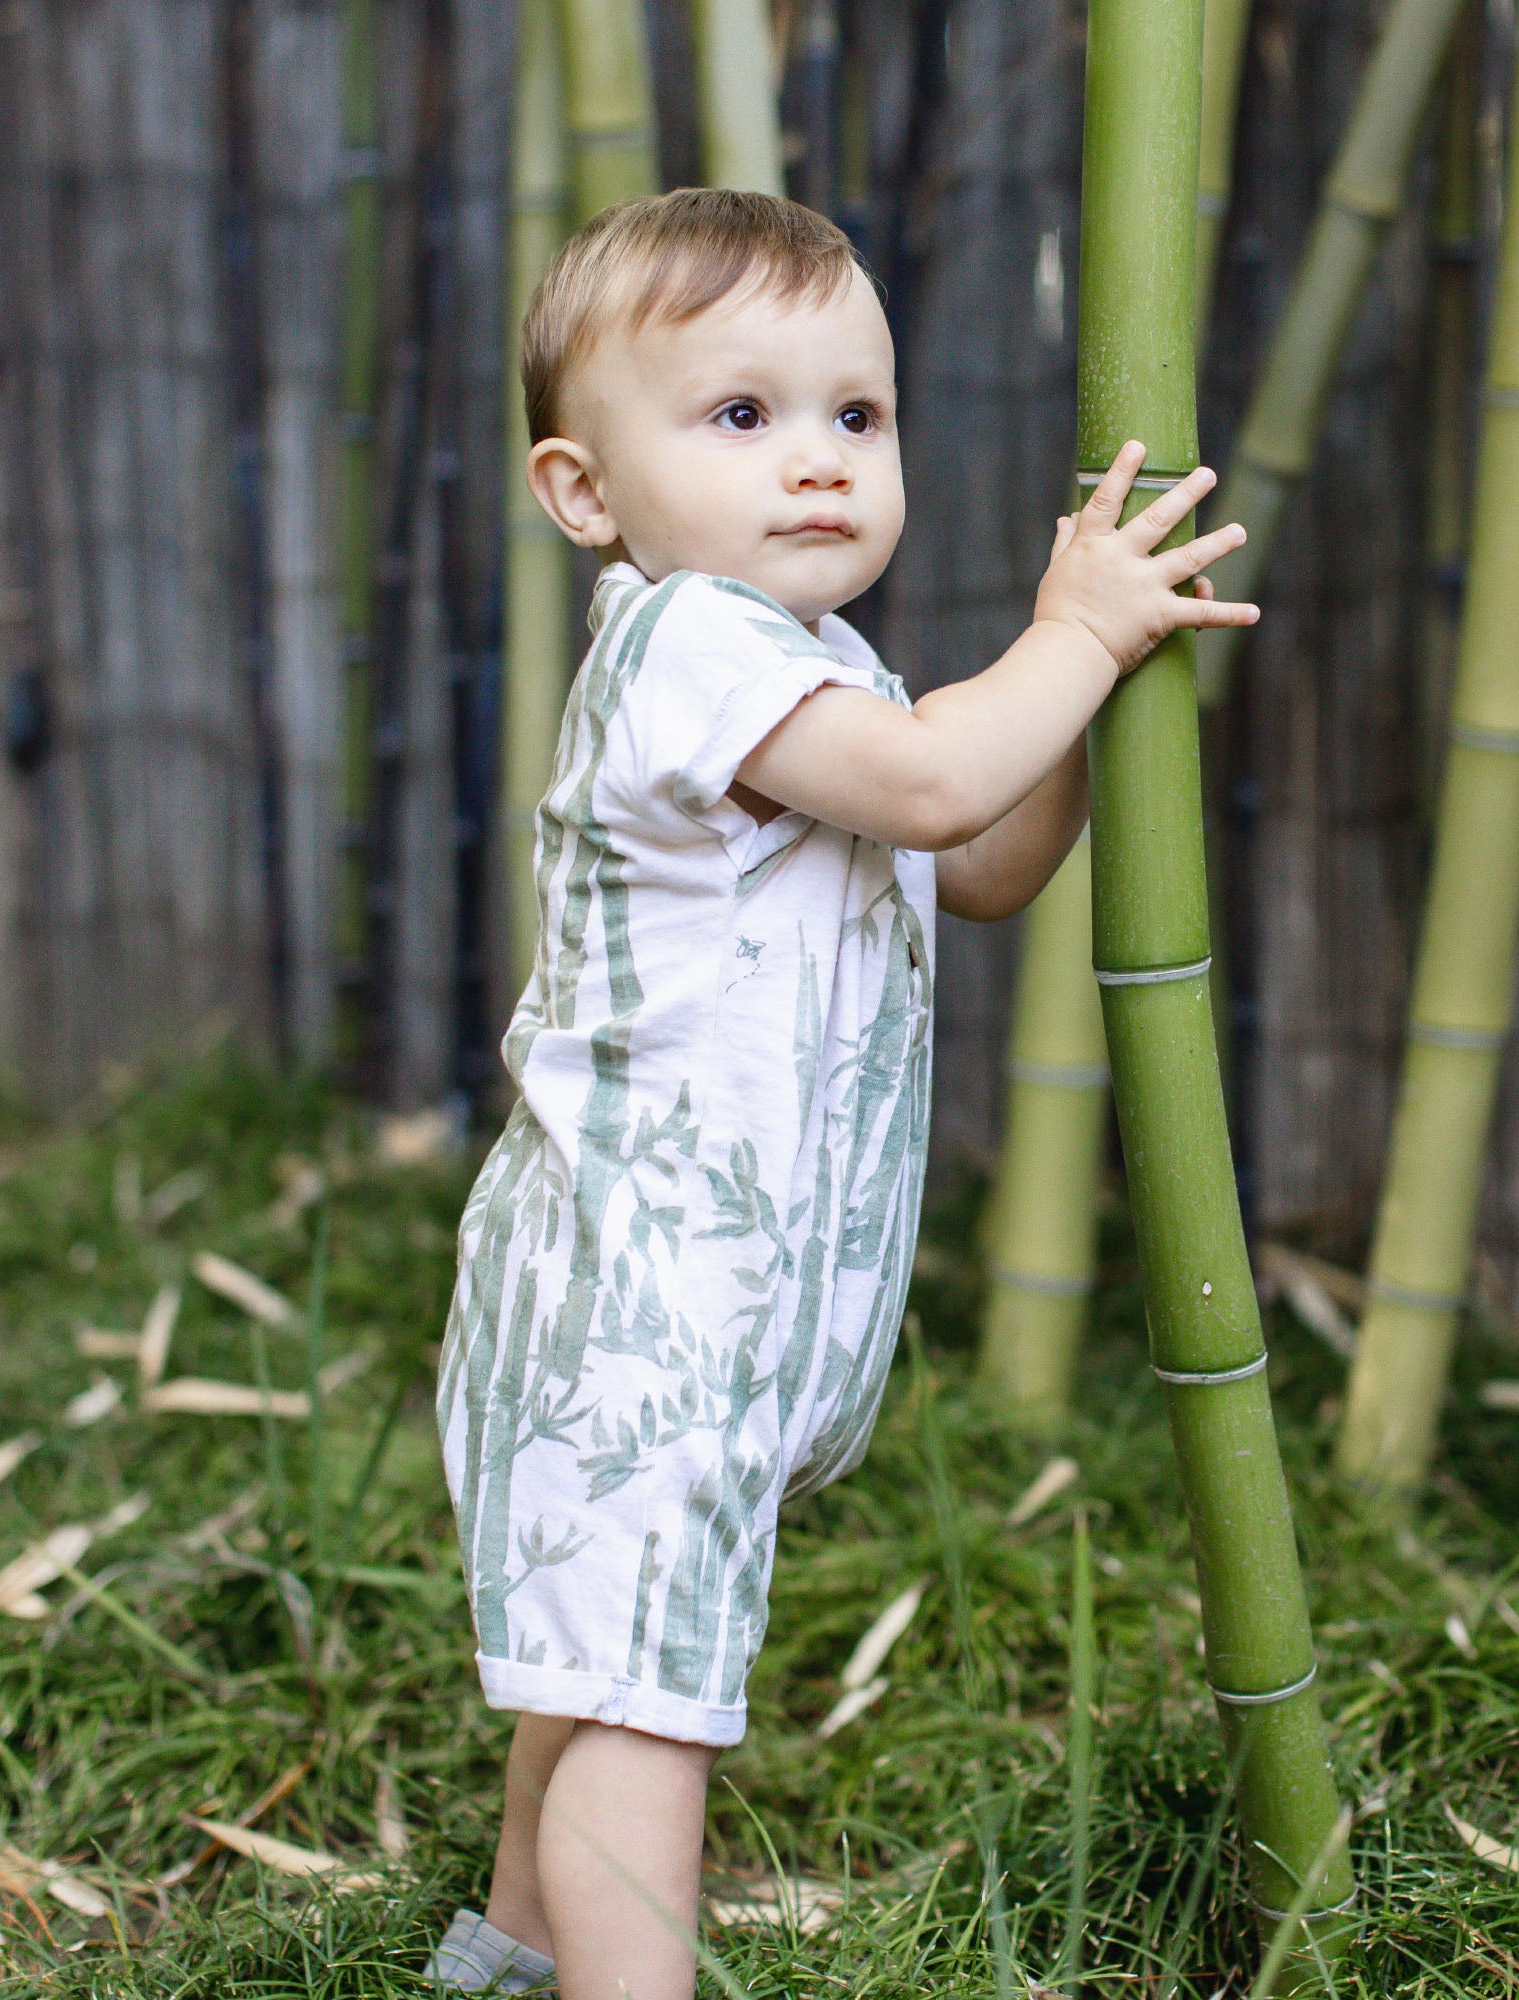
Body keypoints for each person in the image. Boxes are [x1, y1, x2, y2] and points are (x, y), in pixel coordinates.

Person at [428, 187, 1254, 1999]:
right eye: (741, 415)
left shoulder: (826, 670)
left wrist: (1094, 699)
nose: (816, 458)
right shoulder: (684, 649)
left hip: (702, 1313)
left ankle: (504, 1960)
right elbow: (942, 785)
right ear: (584, 491)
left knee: (613, 1674)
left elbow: (982, 857)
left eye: (856, 415)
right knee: (646, 1717)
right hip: (638, 1309)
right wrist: (1076, 638)